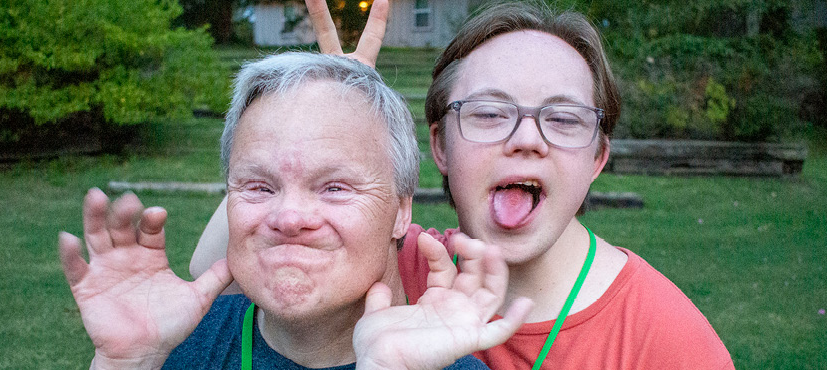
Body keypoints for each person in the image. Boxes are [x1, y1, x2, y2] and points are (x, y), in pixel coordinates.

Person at [192, 1, 735, 368]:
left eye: (565, 119)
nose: (528, 140)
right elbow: (216, 270)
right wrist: (325, 111)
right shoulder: (408, 264)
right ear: (440, 146)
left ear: (598, 157)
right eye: (489, 112)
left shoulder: (666, 340)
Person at [58, 52, 532, 370]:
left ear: (400, 211)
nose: (289, 217)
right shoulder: (175, 349)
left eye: (334, 187)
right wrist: (126, 363)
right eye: (260, 186)